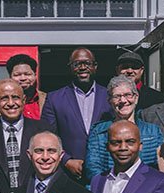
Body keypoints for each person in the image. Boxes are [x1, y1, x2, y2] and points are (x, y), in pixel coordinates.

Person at [41, 47, 114, 183]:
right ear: (70, 68)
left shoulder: (110, 97)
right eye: (77, 64)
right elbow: (47, 136)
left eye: (87, 63)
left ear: (95, 66)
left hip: (105, 171)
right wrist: (66, 160)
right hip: (68, 174)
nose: (82, 67)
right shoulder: (54, 98)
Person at [0, 79, 53, 193]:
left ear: (24, 100)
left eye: (15, 97)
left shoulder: (43, 129)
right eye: (4, 98)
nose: (11, 103)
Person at [84, 75, 164, 180]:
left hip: (144, 190)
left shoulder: (153, 132)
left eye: (128, 95)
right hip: (108, 188)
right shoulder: (99, 131)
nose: (123, 100)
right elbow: (93, 169)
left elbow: (160, 167)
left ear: (136, 98)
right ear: (110, 101)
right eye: (117, 96)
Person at [0, 54, 46, 122]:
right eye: (17, 75)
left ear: (35, 75)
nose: (23, 78)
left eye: (27, 74)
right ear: (10, 76)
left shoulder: (46, 99)